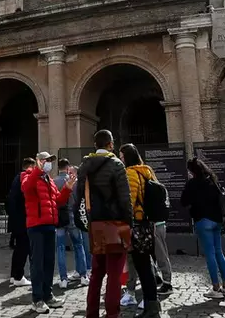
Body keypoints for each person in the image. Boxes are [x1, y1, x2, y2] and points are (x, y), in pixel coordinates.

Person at [79, 129, 132, 318]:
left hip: (95, 225)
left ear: (95, 145)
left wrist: (84, 221)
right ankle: (112, 314)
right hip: (115, 224)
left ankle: (91, 313)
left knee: (96, 273)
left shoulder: (85, 165)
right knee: (114, 275)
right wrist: (129, 223)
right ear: (111, 144)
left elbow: (78, 196)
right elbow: (125, 199)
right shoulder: (117, 164)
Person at [22, 151, 75, 314]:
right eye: (45, 160)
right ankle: (37, 299)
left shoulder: (49, 180)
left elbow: (57, 200)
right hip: (36, 226)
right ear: (38, 161)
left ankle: (48, 295)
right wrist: (37, 170)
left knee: (49, 262)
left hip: (50, 225)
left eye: (50, 160)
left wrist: (67, 188)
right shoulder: (28, 175)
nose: (48, 163)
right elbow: (26, 188)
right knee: (37, 263)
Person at [181, 157, 225, 299]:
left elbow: (183, 201)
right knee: (219, 252)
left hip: (203, 220)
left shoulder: (192, 183)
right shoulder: (213, 181)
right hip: (217, 220)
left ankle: (216, 288)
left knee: (210, 254)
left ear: (191, 171)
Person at [118, 144, 161, 318]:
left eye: (121, 157)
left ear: (127, 157)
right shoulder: (147, 171)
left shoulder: (130, 173)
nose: (120, 160)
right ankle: (152, 303)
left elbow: (129, 203)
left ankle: (151, 308)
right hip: (148, 224)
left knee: (142, 267)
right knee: (147, 266)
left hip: (136, 226)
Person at [54, 159, 90, 288]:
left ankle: (63, 278)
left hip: (60, 218)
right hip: (73, 217)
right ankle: (83, 275)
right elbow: (78, 199)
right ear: (68, 167)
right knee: (79, 246)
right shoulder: (74, 181)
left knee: (60, 248)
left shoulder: (54, 181)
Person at [6, 157, 36, 287]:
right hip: (22, 219)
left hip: (16, 219)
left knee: (18, 249)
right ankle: (18, 276)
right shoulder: (24, 178)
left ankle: (14, 275)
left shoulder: (16, 178)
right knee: (23, 248)